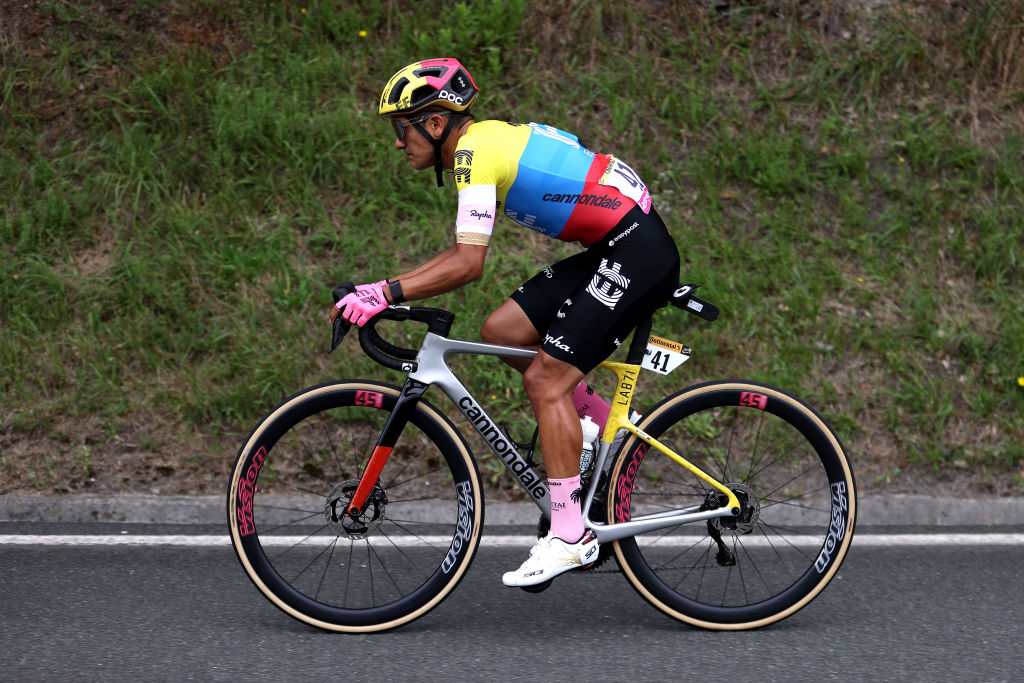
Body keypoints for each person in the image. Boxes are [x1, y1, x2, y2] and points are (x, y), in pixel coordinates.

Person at [329, 58, 680, 587]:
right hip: (616, 243)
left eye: (401, 129)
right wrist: (383, 291)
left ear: (435, 122)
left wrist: (383, 293)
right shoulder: (487, 140)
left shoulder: (474, 151)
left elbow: (468, 264)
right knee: (504, 332)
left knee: (545, 379)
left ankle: (570, 536)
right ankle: (594, 430)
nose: (398, 143)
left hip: (635, 250)